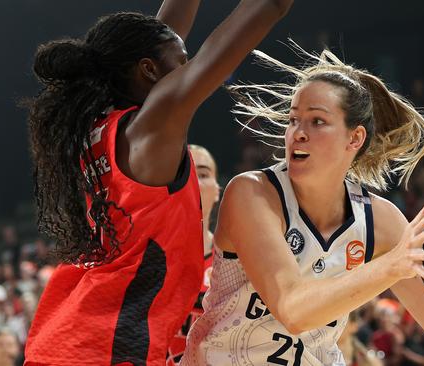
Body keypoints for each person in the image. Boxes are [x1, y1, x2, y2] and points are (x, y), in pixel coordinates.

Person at [181, 45, 424, 365]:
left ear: (354, 138)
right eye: (293, 120)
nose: (297, 132)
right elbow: (292, 309)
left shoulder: (379, 220)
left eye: (317, 120)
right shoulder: (253, 193)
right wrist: (392, 265)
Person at [23, 0, 294, 364]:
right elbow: (270, 6)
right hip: (105, 346)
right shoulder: (151, 125)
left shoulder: (99, 129)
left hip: (72, 335)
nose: (188, 70)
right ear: (148, 71)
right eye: (183, 63)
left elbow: (162, 37)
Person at [167, 144, 220, 365]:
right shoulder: (141, 256)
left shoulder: (236, 262)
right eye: (184, 172)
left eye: (203, 174)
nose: (194, 181)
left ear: (217, 190)